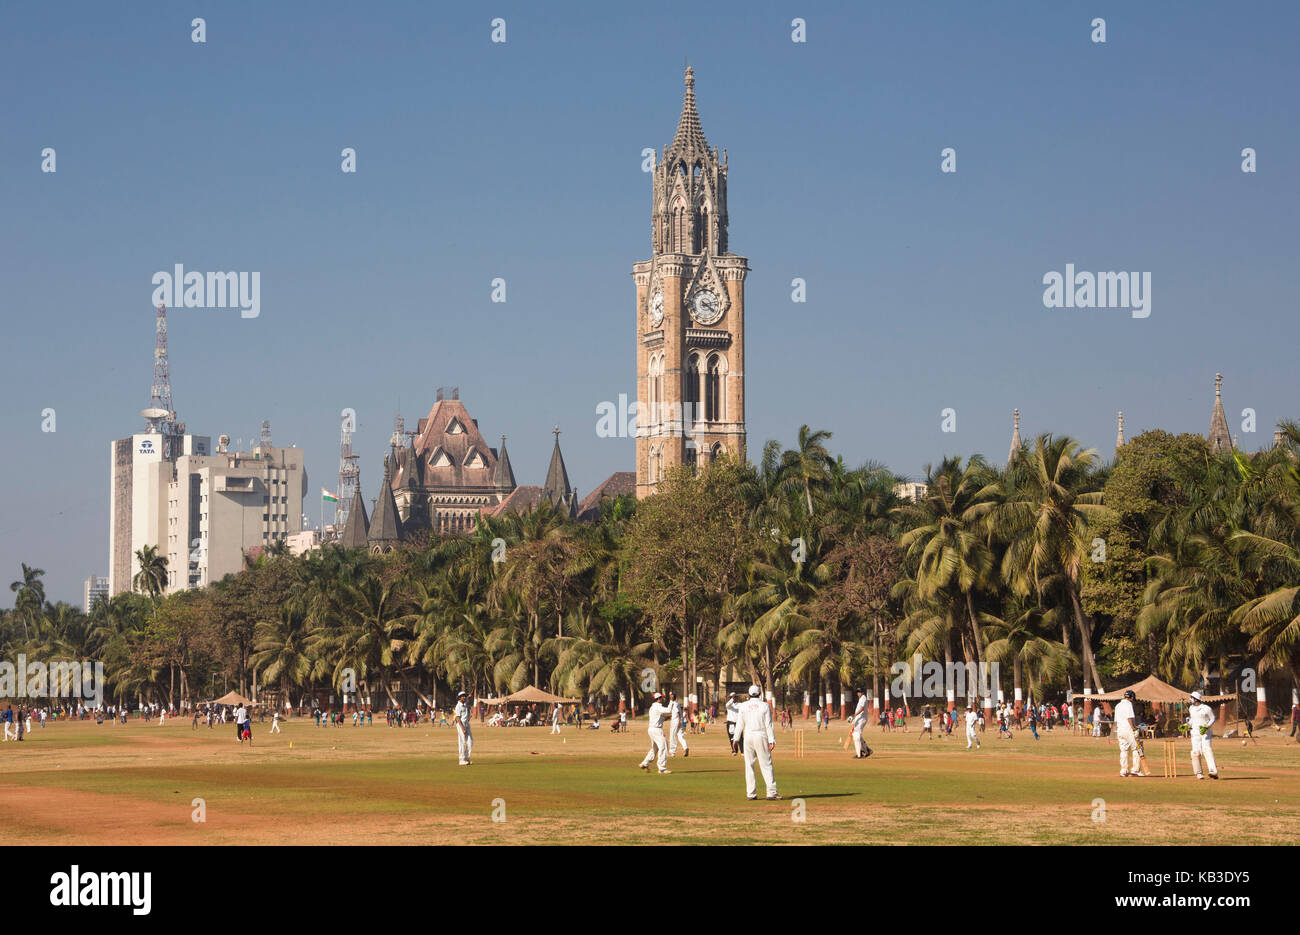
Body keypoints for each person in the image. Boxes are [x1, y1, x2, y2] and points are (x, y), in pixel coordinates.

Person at [733, 685, 779, 800]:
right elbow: (769, 724)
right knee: (766, 765)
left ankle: (751, 794)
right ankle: (771, 793)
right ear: (760, 694)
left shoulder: (743, 706)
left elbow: (739, 724)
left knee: (749, 765)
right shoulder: (764, 706)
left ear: (749, 694)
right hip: (761, 735)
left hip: (748, 736)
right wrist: (771, 739)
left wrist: (736, 739)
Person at [1188, 691, 1219, 780]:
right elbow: (1192, 720)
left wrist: (1207, 726)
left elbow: (1212, 718)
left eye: (1192, 698)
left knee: (1207, 750)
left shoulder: (1206, 708)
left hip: (1205, 732)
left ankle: (1213, 771)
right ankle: (1199, 773)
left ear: (1196, 699)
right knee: (1195, 752)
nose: (1190, 699)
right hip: (1195, 732)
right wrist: (1187, 725)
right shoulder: (1191, 708)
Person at [639, 692, 672, 774]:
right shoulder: (658, 706)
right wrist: (671, 701)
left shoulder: (652, 707)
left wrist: (668, 716)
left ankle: (645, 763)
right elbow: (668, 710)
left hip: (651, 729)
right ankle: (662, 768)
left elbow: (660, 716)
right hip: (657, 729)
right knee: (664, 746)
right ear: (658, 699)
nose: (662, 699)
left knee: (655, 748)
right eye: (661, 698)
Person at [1114, 689, 1144, 777]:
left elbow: (1116, 721)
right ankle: (1135, 770)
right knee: (1137, 748)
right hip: (1128, 729)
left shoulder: (1117, 706)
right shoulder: (1128, 704)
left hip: (1120, 730)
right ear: (1131, 697)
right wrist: (1134, 728)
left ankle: (1123, 770)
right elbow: (1129, 718)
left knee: (1124, 750)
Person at [850, 689, 872, 759]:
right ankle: (867, 750)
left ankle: (860, 754)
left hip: (861, 719)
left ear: (862, 692)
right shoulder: (861, 699)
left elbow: (862, 708)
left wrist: (854, 715)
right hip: (859, 719)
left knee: (857, 736)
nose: (858, 693)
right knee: (856, 735)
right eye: (857, 692)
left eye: (859, 692)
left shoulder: (863, 698)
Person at [454, 691, 474, 766]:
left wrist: (473, 689)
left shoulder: (465, 703)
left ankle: (466, 758)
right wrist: (462, 729)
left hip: (466, 724)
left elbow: (469, 696)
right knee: (462, 742)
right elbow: (458, 718)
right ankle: (461, 759)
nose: (464, 697)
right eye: (462, 696)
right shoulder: (458, 706)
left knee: (470, 741)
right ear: (459, 698)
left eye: (464, 696)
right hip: (460, 724)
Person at [667, 691, 689, 758]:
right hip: (680, 721)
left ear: (672, 697)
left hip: (675, 721)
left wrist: (679, 721)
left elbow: (678, 713)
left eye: (671, 695)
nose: (670, 696)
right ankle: (685, 747)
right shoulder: (676, 703)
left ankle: (672, 752)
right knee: (680, 736)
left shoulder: (674, 704)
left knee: (672, 736)